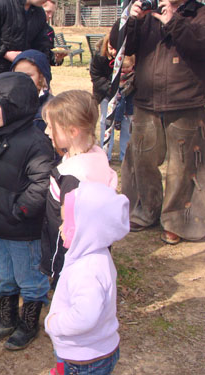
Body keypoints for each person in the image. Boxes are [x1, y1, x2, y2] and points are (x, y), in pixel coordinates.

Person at [0, 72, 54, 350]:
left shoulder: (36, 141)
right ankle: (7, 319)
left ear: (16, 106)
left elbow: (42, 185)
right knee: (2, 276)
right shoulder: (1, 132)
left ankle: (28, 324)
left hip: (22, 230)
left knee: (30, 280)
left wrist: (19, 210)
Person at [118, 0, 205, 244]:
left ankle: (179, 220)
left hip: (187, 101)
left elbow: (199, 47)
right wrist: (132, 19)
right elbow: (121, 45)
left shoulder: (199, 14)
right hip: (147, 100)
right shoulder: (148, 13)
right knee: (141, 160)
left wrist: (174, 22)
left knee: (184, 166)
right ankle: (145, 210)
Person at [45, 181, 129, 375]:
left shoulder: (87, 270)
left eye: (66, 223)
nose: (60, 228)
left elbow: (84, 317)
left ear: (87, 228)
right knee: (62, 364)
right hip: (81, 352)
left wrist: (53, 324)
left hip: (84, 360)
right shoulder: (94, 253)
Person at [40, 90, 118, 288]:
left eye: (51, 127)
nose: (46, 132)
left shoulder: (73, 176)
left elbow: (69, 229)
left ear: (73, 131)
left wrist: (58, 266)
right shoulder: (96, 155)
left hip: (70, 256)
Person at [0, 0, 51, 130]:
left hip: (17, 73)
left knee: (16, 118)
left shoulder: (39, 13)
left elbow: (41, 43)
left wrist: (46, 73)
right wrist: (5, 53)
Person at [89, 35, 131, 162]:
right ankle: (105, 154)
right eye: (110, 48)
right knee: (106, 122)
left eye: (116, 49)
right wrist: (111, 89)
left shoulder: (129, 56)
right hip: (105, 94)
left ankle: (125, 156)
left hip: (126, 94)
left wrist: (125, 87)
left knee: (126, 123)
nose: (113, 52)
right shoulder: (99, 57)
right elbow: (96, 76)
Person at [10, 49, 53, 132]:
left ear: (41, 77)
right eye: (18, 75)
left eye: (28, 75)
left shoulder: (50, 109)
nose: (23, 79)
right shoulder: (8, 105)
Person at [42, 0, 67, 66]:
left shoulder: (49, 31)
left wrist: (57, 59)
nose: (50, 16)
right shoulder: (26, 27)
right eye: (48, 12)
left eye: (52, 13)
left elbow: (50, 56)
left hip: (44, 71)